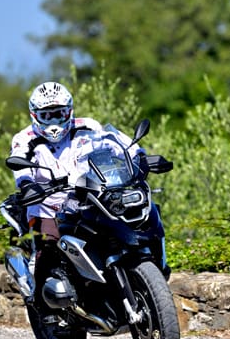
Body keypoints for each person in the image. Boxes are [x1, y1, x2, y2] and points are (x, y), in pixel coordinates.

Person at [9, 81, 143, 303]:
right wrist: (26, 185)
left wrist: (141, 156)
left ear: (69, 111)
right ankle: (42, 301)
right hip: (47, 204)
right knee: (49, 247)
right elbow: (20, 165)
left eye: (58, 113)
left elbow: (118, 142)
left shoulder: (88, 126)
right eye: (46, 115)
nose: (53, 121)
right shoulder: (24, 138)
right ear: (35, 115)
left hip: (91, 197)